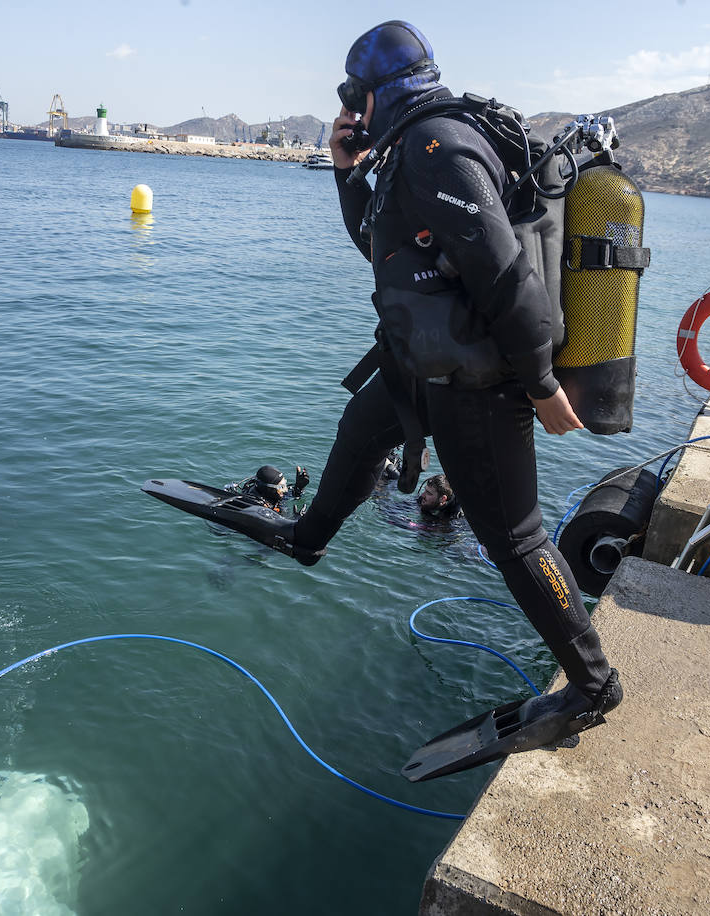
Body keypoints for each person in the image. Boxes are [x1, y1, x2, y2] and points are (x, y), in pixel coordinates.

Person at [222, 20, 622, 772]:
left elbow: (508, 276)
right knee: (363, 425)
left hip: (481, 382)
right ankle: (308, 539)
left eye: (353, 93)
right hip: (426, 362)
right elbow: (389, 249)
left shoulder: (440, 144)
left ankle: (593, 686)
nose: (350, 107)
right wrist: (348, 169)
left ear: (378, 89)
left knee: (517, 540)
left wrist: (540, 384)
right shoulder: (408, 148)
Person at [233, 464, 310, 514]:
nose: (285, 490)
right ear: (268, 488)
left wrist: (299, 488)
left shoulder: (270, 494)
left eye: (284, 484)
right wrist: (296, 521)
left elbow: (288, 496)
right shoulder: (257, 508)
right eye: (281, 487)